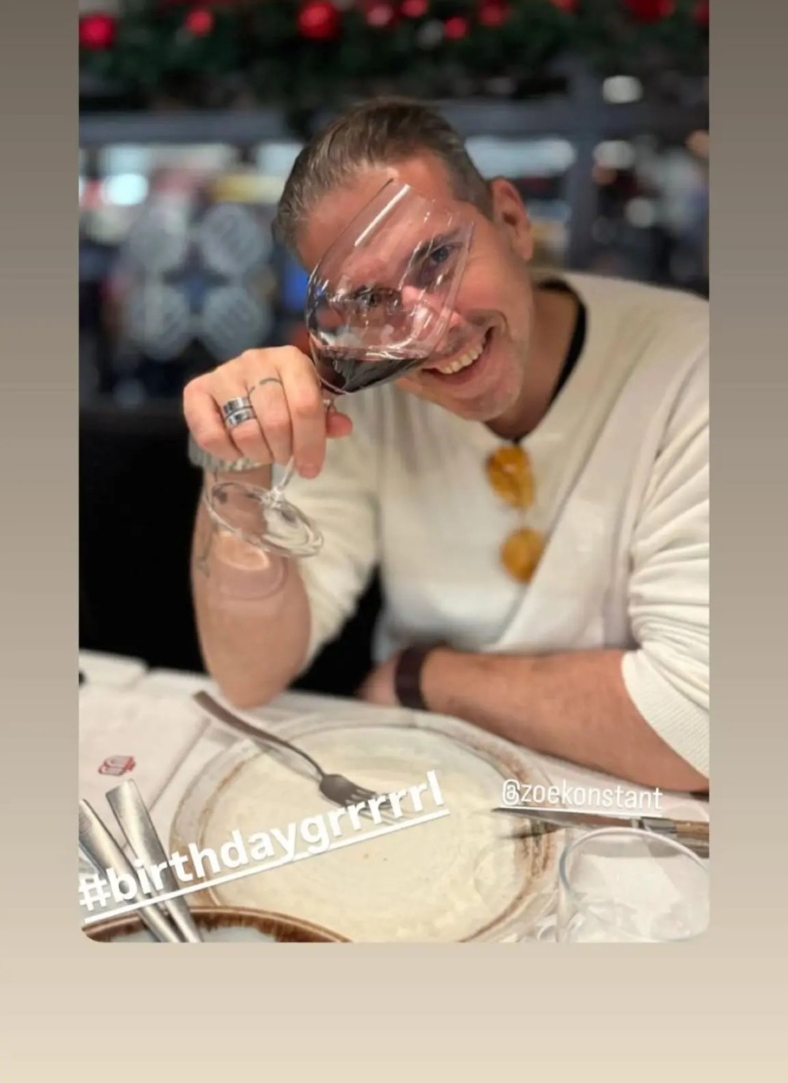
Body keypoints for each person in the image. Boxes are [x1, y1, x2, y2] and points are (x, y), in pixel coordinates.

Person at [183, 98, 709, 793]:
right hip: (430, 788)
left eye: (436, 257)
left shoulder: (695, 367)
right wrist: (240, 463)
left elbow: (701, 726)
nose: (427, 330)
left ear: (512, 221)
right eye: (371, 301)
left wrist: (422, 676)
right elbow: (248, 672)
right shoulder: (365, 394)